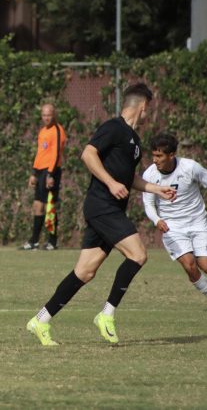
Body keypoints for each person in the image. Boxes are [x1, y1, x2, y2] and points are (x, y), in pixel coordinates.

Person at [26, 83, 177, 346]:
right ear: (142, 106)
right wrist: (109, 182)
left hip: (109, 209)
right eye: (148, 109)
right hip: (101, 206)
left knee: (84, 272)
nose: (148, 115)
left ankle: (40, 320)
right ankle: (106, 315)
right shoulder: (113, 127)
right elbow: (88, 153)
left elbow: (128, 179)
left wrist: (156, 188)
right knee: (138, 254)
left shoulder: (135, 142)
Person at [142, 132, 207, 314]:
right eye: (153, 155)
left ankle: (194, 252)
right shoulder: (149, 174)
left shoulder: (190, 167)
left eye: (159, 156)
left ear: (171, 155)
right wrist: (157, 220)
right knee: (189, 265)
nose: (155, 160)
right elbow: (148, 203)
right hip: (173, 227)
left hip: (198, 222)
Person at [21, 103, 67, 250]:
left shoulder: (57, 130)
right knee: (37, 206)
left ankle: (52, 242)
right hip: (41, 172)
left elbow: (56, 154)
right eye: (44, 115)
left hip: (51, 171)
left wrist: (50, 175)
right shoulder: (42, 131)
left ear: (54, 115)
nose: (46, 118)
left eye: (49, 115)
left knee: (49, 206)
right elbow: (40, 153)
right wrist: (34, 173)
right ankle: (34, 241)